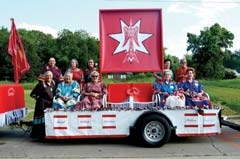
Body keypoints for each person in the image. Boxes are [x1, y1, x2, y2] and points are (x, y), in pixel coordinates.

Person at [30, 71, 56, 138]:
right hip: (42, 104)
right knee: (42, 119)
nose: (49, 77)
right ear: (45, 76)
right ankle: (40, 135)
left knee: (49, 119)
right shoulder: (41, 84)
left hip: (50, 104)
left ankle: (49, 133)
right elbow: (32, 94)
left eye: (50, 75)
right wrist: (39, 99)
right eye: (47, 75)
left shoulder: (53, 82)